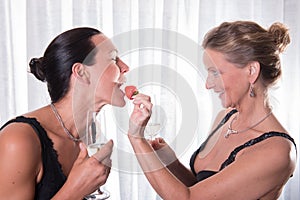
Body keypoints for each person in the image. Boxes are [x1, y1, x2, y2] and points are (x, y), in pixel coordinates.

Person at [127, 21, 297, 199]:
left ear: (251, 71)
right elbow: (204, 189)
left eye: (215, 73)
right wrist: (171, 162)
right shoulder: (226, 118)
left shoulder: (276, 151)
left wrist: (137, 138)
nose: (208, 84)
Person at [0, 27, 129, 199]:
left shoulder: (91, 132)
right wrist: (76, 190)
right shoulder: (19, 140)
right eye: (113, 59)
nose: (125, 67)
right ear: (81, 72)